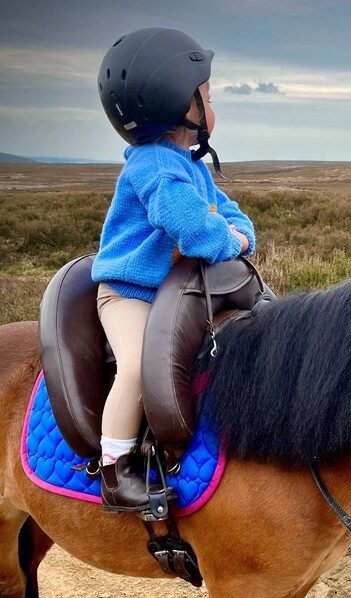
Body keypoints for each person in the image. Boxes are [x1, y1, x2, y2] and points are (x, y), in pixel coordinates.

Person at [92, 28, 255, 514]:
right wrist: (231, 239)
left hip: (174, 292)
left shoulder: (189, 165)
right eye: (205, 96)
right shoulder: (155, 167)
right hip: (130, 294)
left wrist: (236, 233)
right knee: (139, 366)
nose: (212, 104)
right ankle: (115, 470)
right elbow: (196, 230)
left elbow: (232, 214)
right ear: (176, 105)